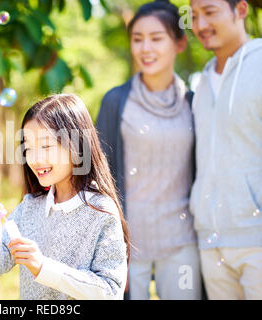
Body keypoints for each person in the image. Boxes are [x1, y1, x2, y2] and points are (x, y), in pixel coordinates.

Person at [96, 0, 202, 300]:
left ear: (179, 42)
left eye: (156, 38)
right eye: (137, 39)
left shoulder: (195, 103)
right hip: (130, 245)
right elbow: (101, 178)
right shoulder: (115, 102)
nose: (146, 48)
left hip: (183, 243)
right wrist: (113, 248)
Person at [0, 94, 129, 299]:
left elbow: (111, 291)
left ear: (77, 145)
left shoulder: (101, 211)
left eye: (46, 146)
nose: (35, 159)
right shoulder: (29, 207)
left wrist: (43, 267)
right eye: (28, 148)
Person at [189, 0, 262, 299]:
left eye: (210, 12)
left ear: (240, 10)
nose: (201, 25)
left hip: (256, 239)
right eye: (193, 16)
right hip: (210, 241)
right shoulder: (200, 83)